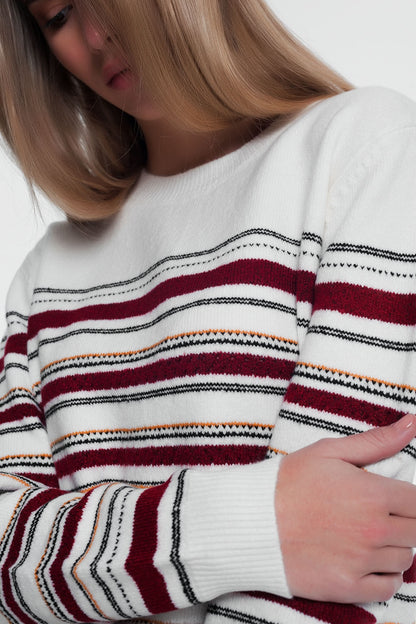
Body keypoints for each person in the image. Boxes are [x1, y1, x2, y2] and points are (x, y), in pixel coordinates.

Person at [0, 1, 415, 623]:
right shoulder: (46, 276)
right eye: (57, 14)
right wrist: (251, 524)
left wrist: (88, 546)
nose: (93, 34)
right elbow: (8, 561)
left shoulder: (366, 152)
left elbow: (360, 548)